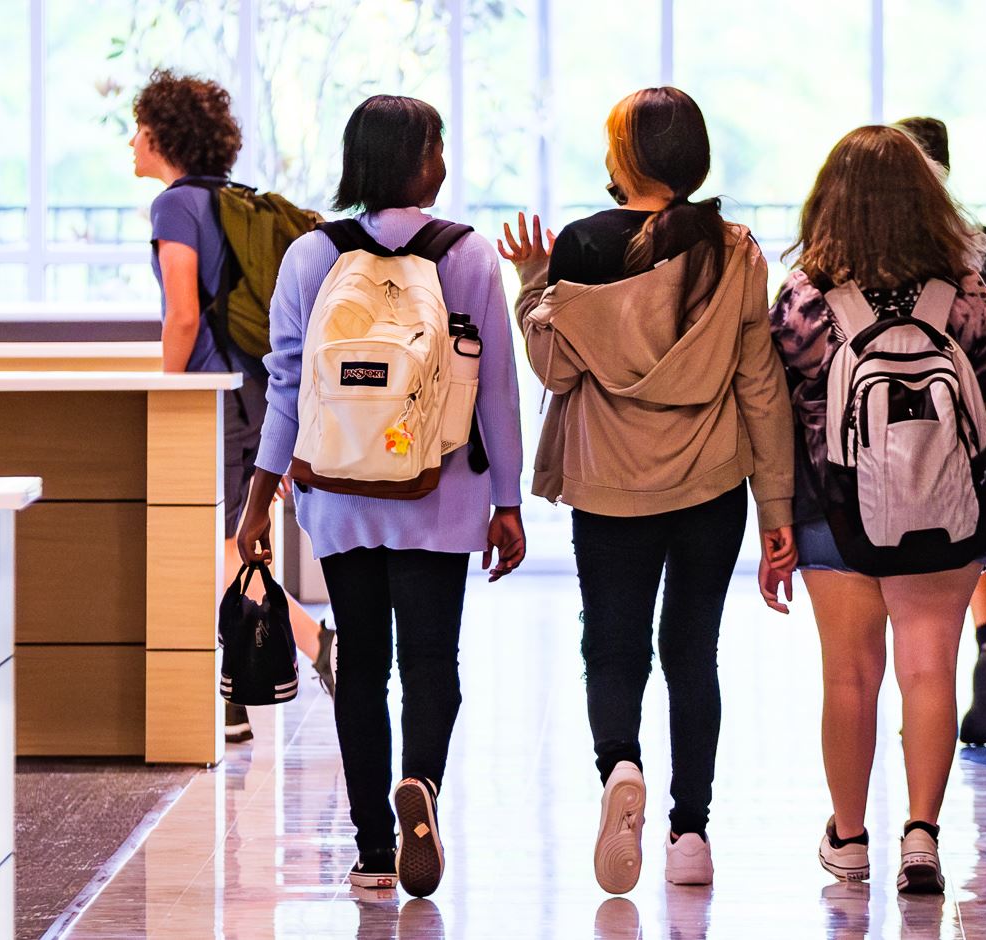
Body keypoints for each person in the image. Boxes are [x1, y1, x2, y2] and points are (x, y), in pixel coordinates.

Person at [500, 87, 796, 894]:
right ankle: (690, 831)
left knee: (614, 645)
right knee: (692, 653)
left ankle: (619, 765)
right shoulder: (734, 251)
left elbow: (555, 367)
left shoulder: (583, 249)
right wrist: (777, 510)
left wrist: (531, 282)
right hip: (710, 486)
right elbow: (760, 384)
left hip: (609, 485)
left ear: (626, 157)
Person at [235, 94, 527, 897]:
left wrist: (257, 503)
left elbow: (285, 392)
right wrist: (508, 500)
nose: (444, 162)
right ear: (413, 159)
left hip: (338, 496)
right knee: (434, 660)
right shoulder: (465, 255)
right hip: (441, 493)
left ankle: (368, 851)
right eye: (438, 146)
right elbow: (495, 387)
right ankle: (421, 786)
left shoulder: (308, 256)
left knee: (362, 665)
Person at [765, 125, 986, 894]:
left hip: (831, 507)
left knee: (848, 676)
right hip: (946, 510)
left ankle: (848, 839)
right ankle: (922, 834)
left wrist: (776, 518)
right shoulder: (966, 287)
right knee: (927, 669)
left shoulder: (806, 296)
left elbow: (773, 404)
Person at [130, 69, 334, 742]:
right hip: (263, 390)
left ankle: (316, 644)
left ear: (160, 135)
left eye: (138, 129)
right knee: (243, 538)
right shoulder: (235, 199)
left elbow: (183, 314)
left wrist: (166, 387)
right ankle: (237, 695)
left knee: (208, 541)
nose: (132, 141)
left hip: (213, 394)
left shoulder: (173, 207)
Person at [895, 115, 986, 747]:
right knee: (978, 536)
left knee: (918, 549)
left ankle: (927, 694)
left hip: (912, 423)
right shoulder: (981, 241)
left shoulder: (889, 252)